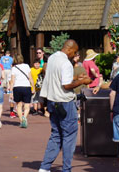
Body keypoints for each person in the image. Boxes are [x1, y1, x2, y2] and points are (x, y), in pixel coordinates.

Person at [37, 39, 85, 172]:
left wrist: (75, 79)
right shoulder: (66, 63)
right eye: (74, 52)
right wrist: (83, 81)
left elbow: (57, 78)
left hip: (52, 100)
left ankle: (44, 167)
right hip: (65, 102)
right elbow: (66, 85)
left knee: (56, 134)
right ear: (69, 49)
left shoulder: (52, 58)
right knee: (69, 136)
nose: (74, 55)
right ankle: (66, 169)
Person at [10, 52, 34, 128]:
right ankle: (25, 117)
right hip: (26, 87)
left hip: (17, 87)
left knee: (19, 105)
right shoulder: (27, 66)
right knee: (27, 105)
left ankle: (21, 120)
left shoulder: (14, 68)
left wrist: (10, 92)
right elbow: (30, 78)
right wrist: (33, 87)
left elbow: (12, 81)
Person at [0, 49, 14, 116]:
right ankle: (8, 89)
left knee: (3, 80)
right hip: (9, 69)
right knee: (9, 80)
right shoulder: (11, 58)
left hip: (3, 69)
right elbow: (12, 64)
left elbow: (0, 63)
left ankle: (3, 89)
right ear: (9, 54)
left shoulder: (2, 58)